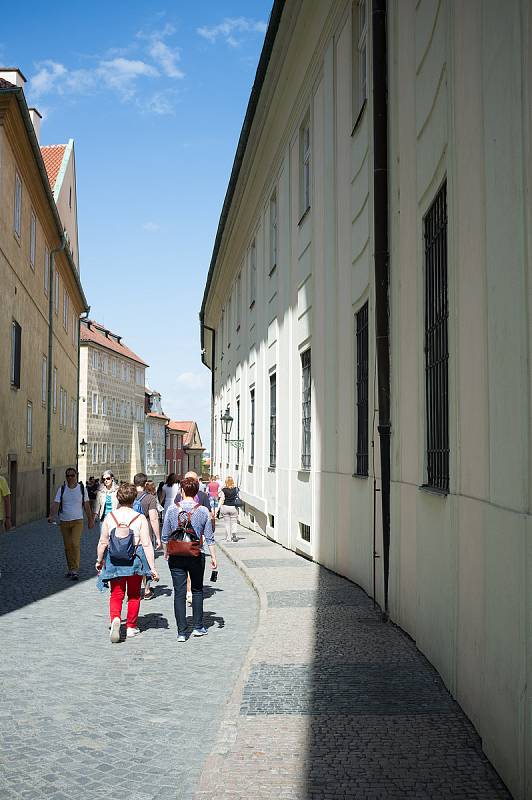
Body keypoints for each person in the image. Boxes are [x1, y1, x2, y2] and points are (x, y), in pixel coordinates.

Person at [96, 482, 159, 643]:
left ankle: (116, 618)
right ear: (134, 499)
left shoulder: (111, 517)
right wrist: (152, 568)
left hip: (115, 559)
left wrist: (99, 560)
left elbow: (103, 542)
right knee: (133, 595)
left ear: (118, 498)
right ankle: (131, 626)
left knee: (116, 594)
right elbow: (146, 544)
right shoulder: (139, 518)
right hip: (134, 559)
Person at [162, 475, 217, 641]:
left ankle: (181, 632)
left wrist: (166, 552)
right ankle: (198, 627)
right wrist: (214, 557)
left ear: (182, 490)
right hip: (196, 554)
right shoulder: (203, 511)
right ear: (196, 492)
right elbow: (209, 538)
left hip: (176, 556)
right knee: (197, 590)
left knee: (179, 592)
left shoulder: (172, 509)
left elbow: (165, 536)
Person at [48, 468, 94, 579]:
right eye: (68, 476)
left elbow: (86, 505)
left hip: (78, 521)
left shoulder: (82, 489)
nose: (70, 478)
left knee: (75, 544)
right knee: (67, 546)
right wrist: (52, 515)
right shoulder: (62, 489)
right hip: (64, 521)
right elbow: (56, 503)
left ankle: (75, 569)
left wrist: (90, 519)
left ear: (76, 476)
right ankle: (70, 568)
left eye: (72, 475)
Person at [175, 471, 212, 604]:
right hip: (192, 541)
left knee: (185, 568)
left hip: (187, 542)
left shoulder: (199, 496)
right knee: (189, 568)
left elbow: (209, 515)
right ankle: (189, 591)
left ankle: (188, 591)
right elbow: (209, 515)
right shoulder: (198, 496)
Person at [133, 472, 161, 600]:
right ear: (145, 484)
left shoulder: (128, 496)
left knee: (132, 560)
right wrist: (158, 538)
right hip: (145, 533)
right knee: (147, 561)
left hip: (130, 535)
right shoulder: (149, 498)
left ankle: (133, 589)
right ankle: (147, 590)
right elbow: (154, 519)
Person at [219, 476, 240, 543]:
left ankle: (228, 538)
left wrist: (217, 509)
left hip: (225, 507)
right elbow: (239, 497)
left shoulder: (224, 490)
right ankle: (234, 534)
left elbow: (222, 499)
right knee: (234, 522)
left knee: (227, 523)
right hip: (233, 508)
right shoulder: (236, 489)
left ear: (226, 482)